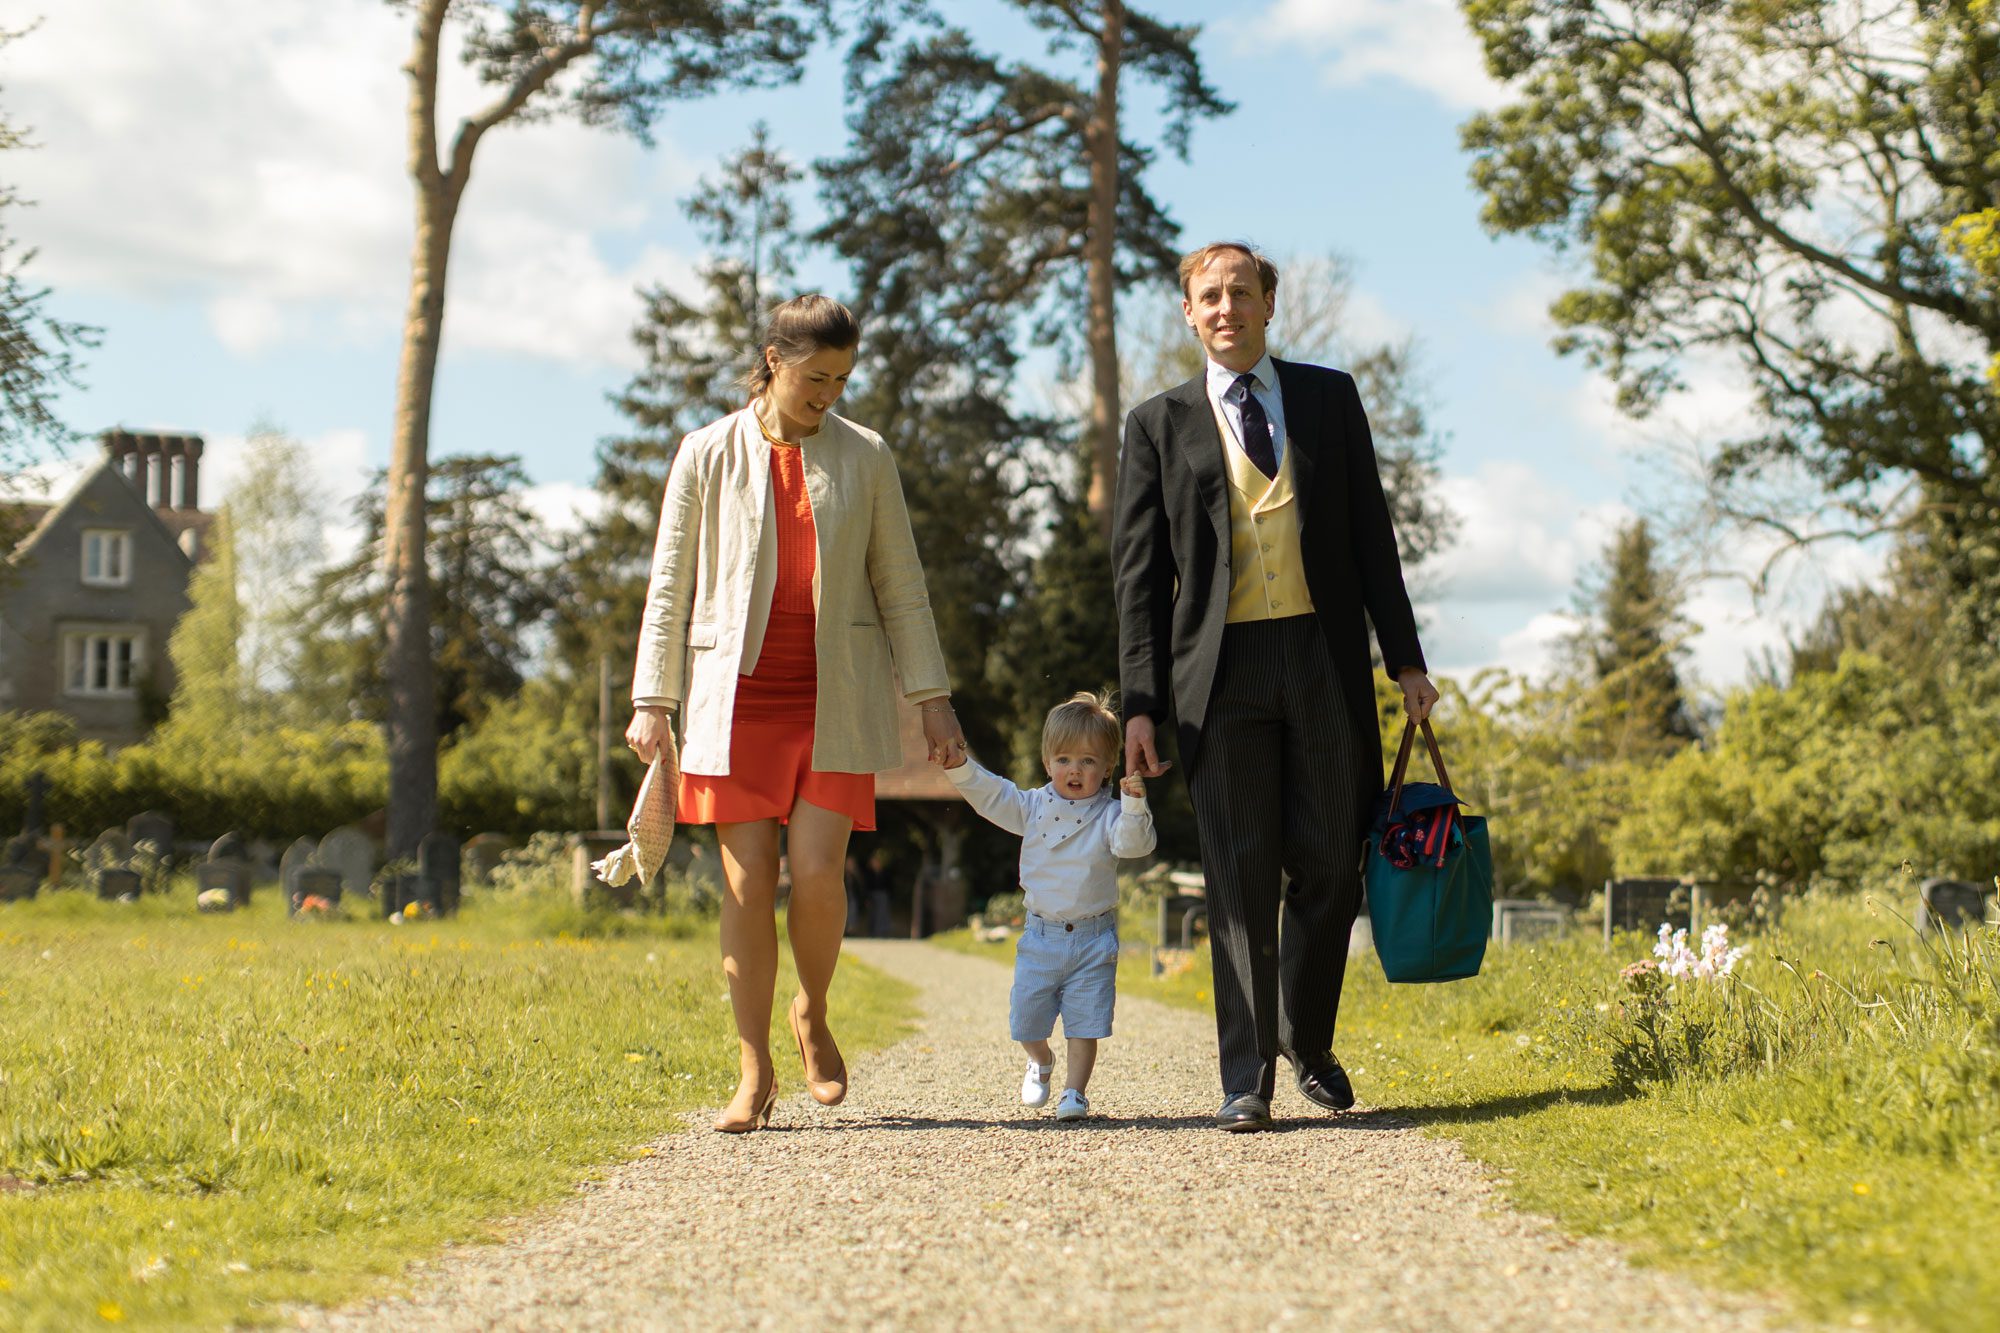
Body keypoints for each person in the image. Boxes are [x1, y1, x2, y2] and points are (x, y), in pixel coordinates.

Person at [1112, 242, 1439, 1133]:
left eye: (1240, 293)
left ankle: (1308, 1036)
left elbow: (1374, 534)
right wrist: (1138, 700)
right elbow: (1138, 579)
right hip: (1216, 678)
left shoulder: (1330, 398)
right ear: (1189, 312)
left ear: (1268, 303)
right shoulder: (1156, 424)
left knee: (1334, 860)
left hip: (1323, 658)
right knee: (1241, 873)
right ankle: (1247, 1072)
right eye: (1208, 296)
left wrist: (1404, 658)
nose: (1226, 308)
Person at [625, 294, 967, 1134]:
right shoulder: (705, 452)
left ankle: (811, 1009)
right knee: (747, 881)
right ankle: (752, 1066)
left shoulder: (867, 457)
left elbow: (902, 584)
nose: (830, 394)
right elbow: (670, 583)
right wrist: (651, 699)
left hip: (835, 695)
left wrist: (933, 700)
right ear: (773, 361)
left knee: (816, 872)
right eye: (817, 377)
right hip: (732, 699)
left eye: (843, 378)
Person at [942, 691, 1156, 1121]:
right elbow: (992, 796)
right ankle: (1040, 1060)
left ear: (1108, 768)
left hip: (1094, 938)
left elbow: (1135, 846)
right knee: (1026, 1021)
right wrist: (960, 768)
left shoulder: (1112, 814)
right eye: (1063, 760)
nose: (1074, 769)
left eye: (1088, 761)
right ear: (1046, 764)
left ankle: (1074, 1093)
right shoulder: (1033, 806)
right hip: (1042, 937)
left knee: (1086, 1022)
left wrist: (1134, 802)